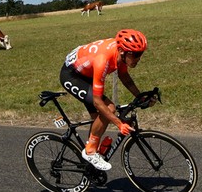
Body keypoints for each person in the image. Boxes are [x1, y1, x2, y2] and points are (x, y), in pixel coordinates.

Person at [60, 29, 149, 170]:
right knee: (109, 108)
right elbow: (97, 102)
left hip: (88, 71)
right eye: (136, 55)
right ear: (122, 52)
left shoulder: (120, 53)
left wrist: (139, 96)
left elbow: (124, 77)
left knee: (100, 118)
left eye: (141, 54)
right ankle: (90, 152)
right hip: (72, 75)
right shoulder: (104, 60)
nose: (139, 58)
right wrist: (119, 124)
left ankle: (90, 160)